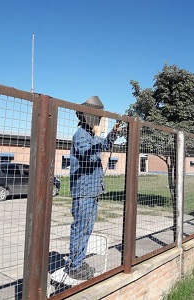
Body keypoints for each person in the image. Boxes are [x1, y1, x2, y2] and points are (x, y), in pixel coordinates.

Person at [64, 96, 121, 281]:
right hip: (83, 192)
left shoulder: (90, 135)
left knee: (87, 229)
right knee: (80, 228)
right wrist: (97, 135)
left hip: (93, 191)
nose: (100, 122)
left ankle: (78, 261)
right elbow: (88, 157)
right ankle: (74, 265)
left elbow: (104, 145)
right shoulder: (81, 135)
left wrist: (113, 132)